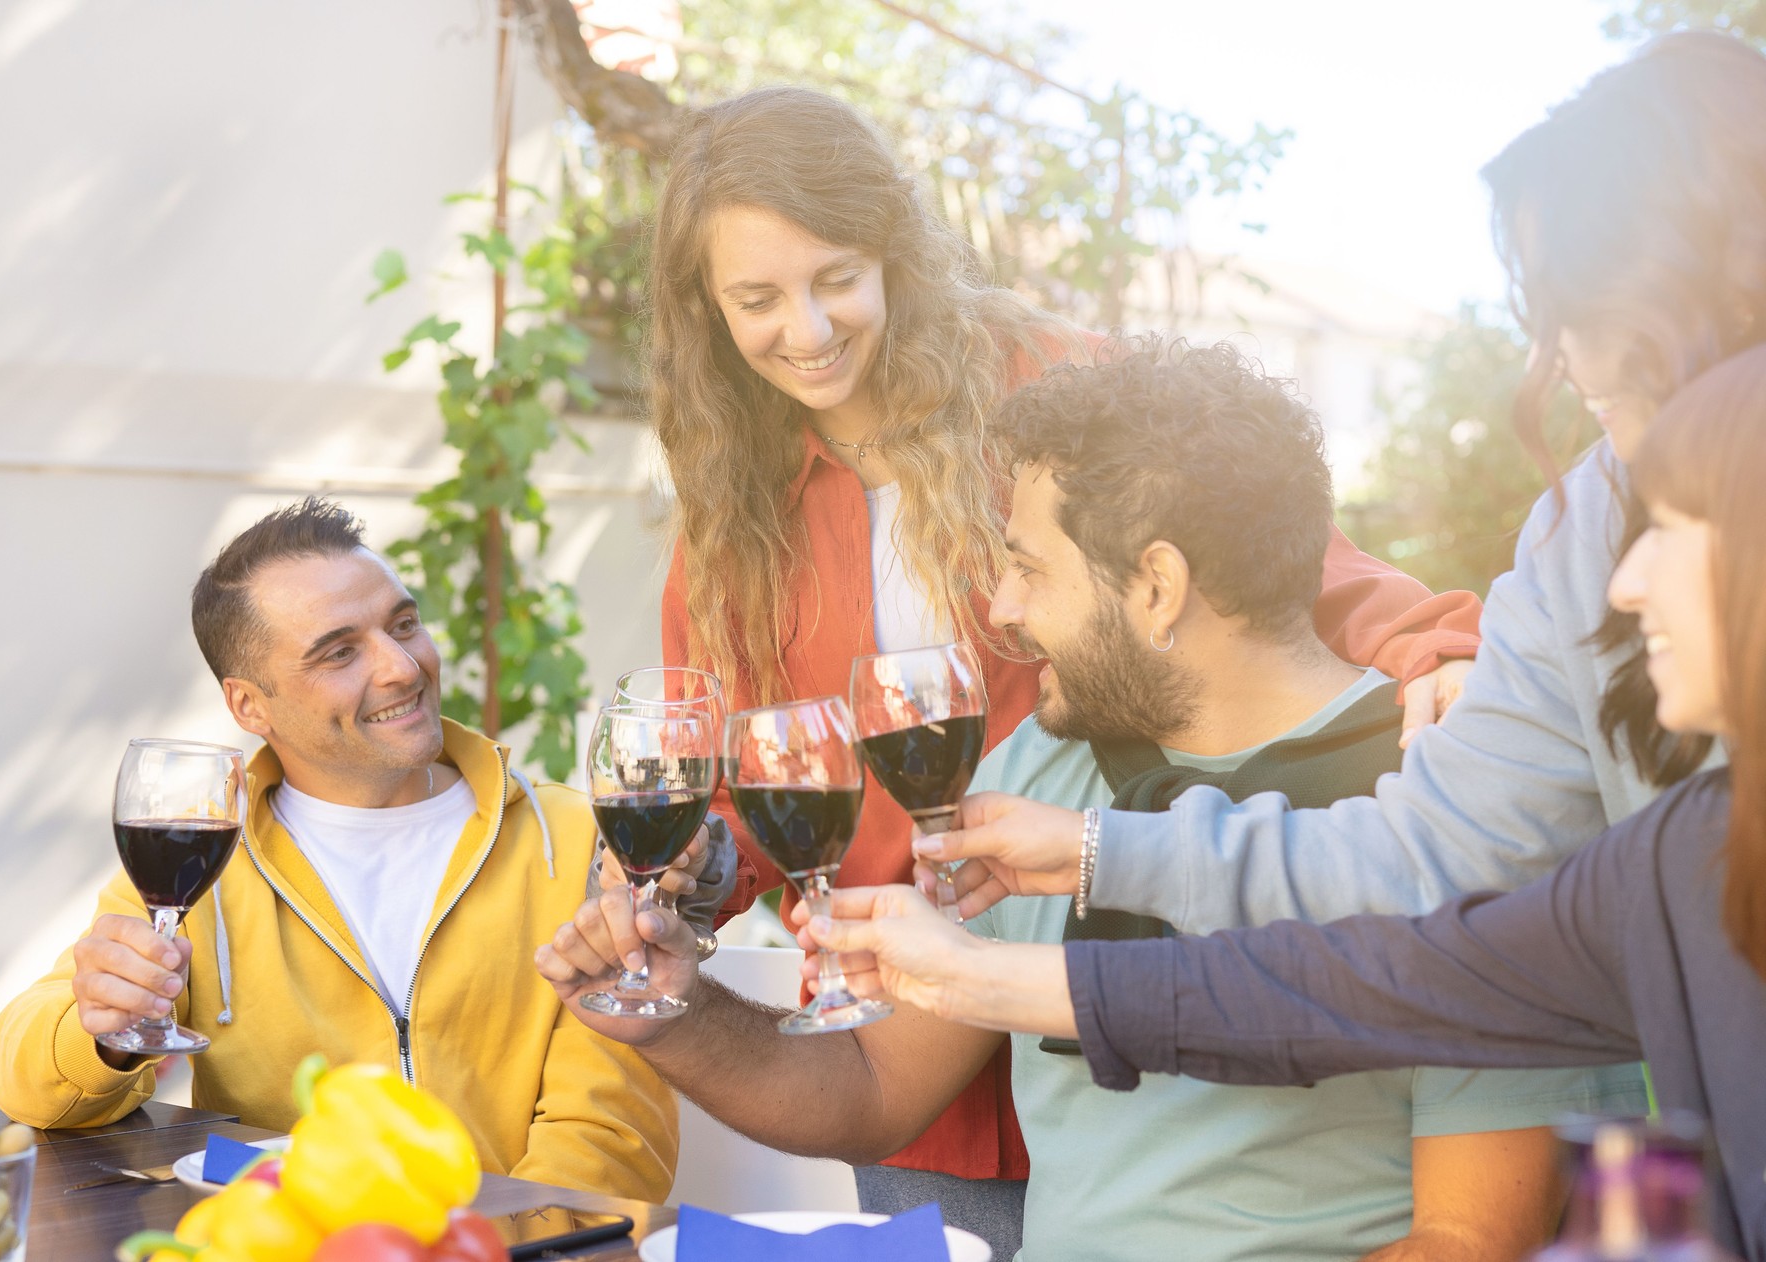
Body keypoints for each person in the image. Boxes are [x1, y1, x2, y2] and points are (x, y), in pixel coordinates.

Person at [541, 343, 1640, 1261]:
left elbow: (1472, 1236)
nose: (1002, 611)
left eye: (1029, 568)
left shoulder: (1452, 804)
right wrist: (674, 1006)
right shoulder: (1036, 779)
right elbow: (871, 1087)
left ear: (1155, 586)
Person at [641, 82, 1485, 1240]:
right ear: (707, 310)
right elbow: (747, 797)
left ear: (891, 247)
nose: (810, 327)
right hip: (911, 1036)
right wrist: (692, 878)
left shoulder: (1048, 383)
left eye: (835, 276)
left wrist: (1434, 645)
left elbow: (1252, 555)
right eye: (757, 299)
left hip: (1128, 936)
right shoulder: (729, 522)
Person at [804, 338, 1766, 1262]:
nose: (1620, 585)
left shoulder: (1512, 816)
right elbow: (1322, 991)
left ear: (1158, 587)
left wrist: (1003, 945)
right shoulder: (1672, 847)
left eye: (1668, 537)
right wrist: (1063, 882)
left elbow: (1361, 984)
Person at [919, 30, 1764, 955]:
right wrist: (1099, 853)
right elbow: (1434, 856)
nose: (1558, 358)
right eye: (1545, 310)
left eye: (1587, 301)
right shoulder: (1584, 529)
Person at [0, 498, 679, 1202]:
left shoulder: (576, 840)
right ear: (250, 706)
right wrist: (103, 1033)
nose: (403, 668)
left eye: (404, 625)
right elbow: (24, 1079)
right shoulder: (206, 862)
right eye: (340, 652)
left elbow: (610, 1138)